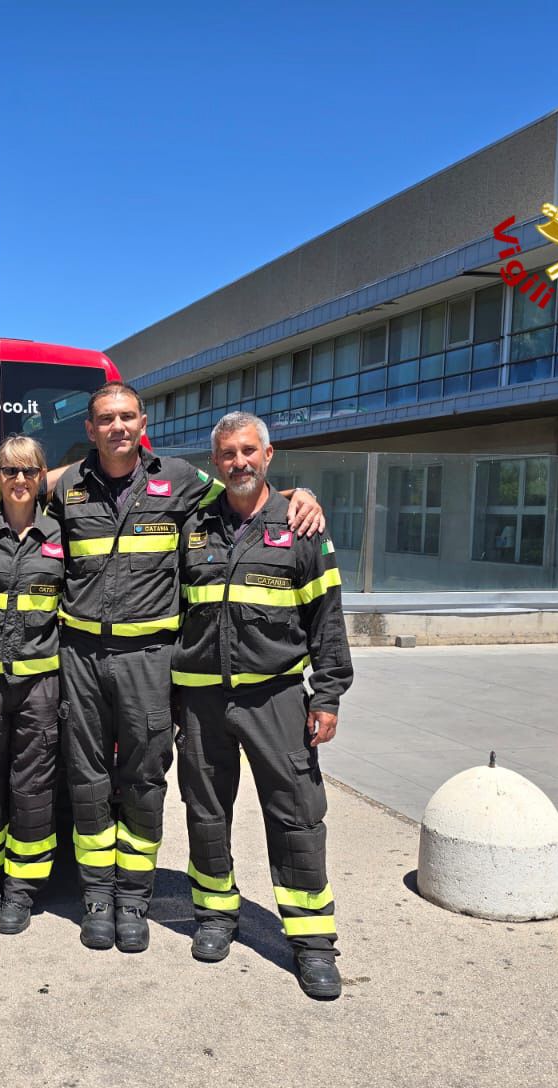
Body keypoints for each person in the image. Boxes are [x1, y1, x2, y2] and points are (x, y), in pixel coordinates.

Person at [47, 381, 324, 954]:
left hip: (151, 658)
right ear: (90, 429)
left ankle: (134, 900)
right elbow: (18, 487)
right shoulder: (69, 485)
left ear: (143, 420)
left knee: (144, 779)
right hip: (75, 655)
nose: (118, 426)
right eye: (106, 418)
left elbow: (244, 491)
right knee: (87, 778)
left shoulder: (179, 480)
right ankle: (98, 896)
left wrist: (300, 494)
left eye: (127, 415)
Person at [174, 411, 353, 1000]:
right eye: (227, 454)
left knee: (297, 815)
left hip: (275, 696)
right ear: (214, 462)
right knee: (205, 812)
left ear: (269, 455)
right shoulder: (194, 524)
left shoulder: (301, 528)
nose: (238, 462)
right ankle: (215, 917)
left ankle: (312, 943)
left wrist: (326, 694)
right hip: (201, 699)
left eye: (248, 451)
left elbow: (327, 619)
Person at [0, 435, 63, 935]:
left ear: (42, 476)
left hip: (40, 681)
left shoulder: (64, 533)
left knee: (33, 786)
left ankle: (21, 888)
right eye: (8, 471)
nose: (19, 480)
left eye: (28, 471)